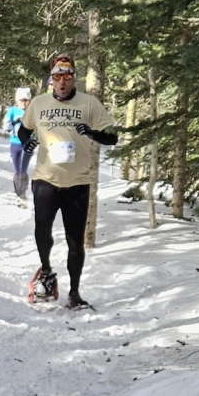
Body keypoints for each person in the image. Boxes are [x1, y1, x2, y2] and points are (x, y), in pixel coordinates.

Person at [17, 53, 118, 310]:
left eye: (67, 77)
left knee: (75, 240)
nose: (62, 82)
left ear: (74, 79)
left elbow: (112, 137)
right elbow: (23, 130)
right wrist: (27, 142)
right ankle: (46, 272)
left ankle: (74, 292)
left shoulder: (89, 103)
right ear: (51, 80)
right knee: (42, 231)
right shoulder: (38, 103)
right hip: (45, 180)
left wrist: (92, 133)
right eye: (58, 77)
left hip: (77, 182)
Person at [2, 86, 32, 205]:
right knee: (17, 169)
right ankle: (19, 194)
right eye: (21, 100)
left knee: (22, 168)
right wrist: (15, 122)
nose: (23, 102)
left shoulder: (32, 111)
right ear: (16, 100)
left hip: (27, 144)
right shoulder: (12, 111)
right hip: (15, 143)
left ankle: (22, 195)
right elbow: (6, 127)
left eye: (26, 100)